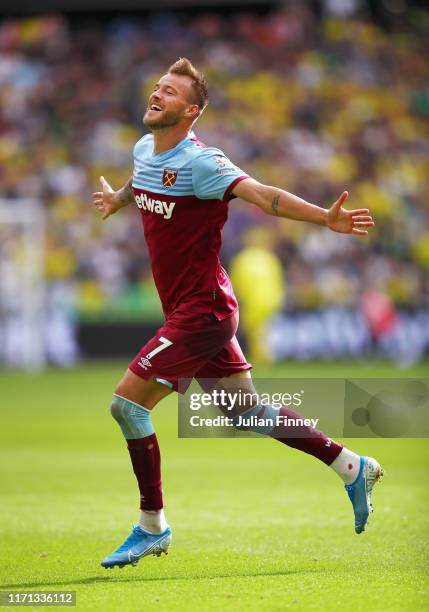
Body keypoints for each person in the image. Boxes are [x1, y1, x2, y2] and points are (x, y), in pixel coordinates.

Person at [93, 58, 382, 569]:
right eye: (157, 86)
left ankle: (151, 525)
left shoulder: (204, 163)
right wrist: (117, 199)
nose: (157, 94)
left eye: (170, 91)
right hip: (201, 307)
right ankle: (350, 464)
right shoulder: (144, 150)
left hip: (201, 311)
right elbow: (142, 181)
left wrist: (324, 219)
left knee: (127, 405)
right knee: (245, 412)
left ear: (192, 111)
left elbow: (265, 197)